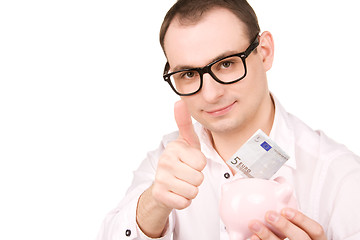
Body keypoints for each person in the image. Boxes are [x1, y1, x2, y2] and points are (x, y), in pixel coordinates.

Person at [97, 0, 360, 239]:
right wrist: (155, 204)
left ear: (265, 51)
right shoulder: (163, 165)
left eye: (226, 64)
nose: (210, 94)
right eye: (188, 74)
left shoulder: (341, 179)